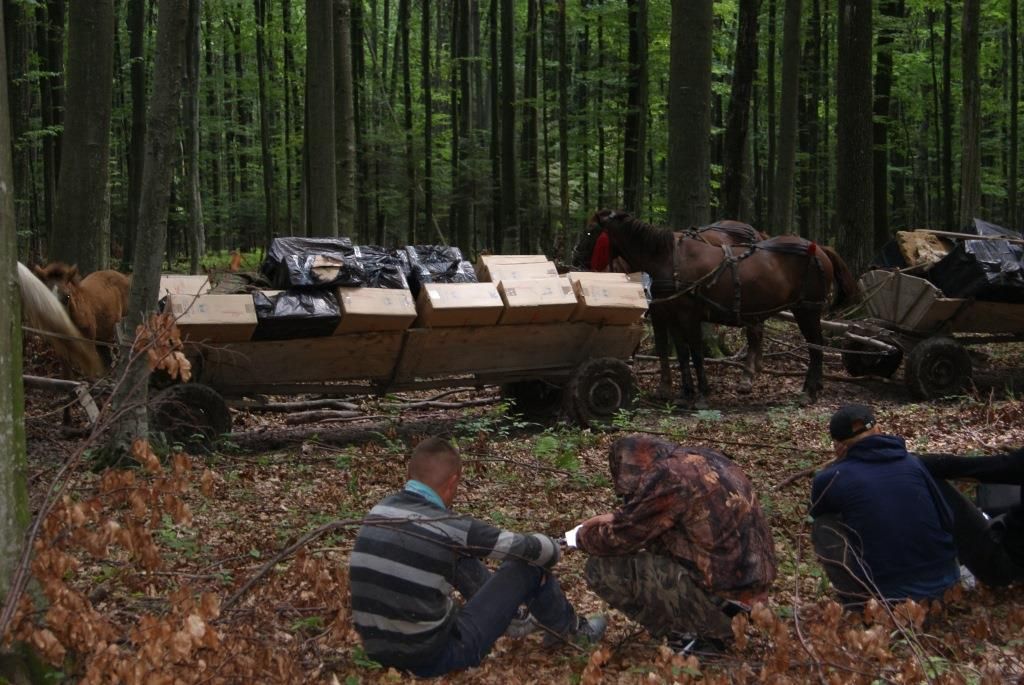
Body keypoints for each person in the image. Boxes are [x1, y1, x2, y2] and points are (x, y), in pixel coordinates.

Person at [349, 437, 606, 677]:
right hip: (432, 658)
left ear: (410, 476)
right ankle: (574, 633)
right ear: (452, 482)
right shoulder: (447, 525)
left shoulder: (378, 511)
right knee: (530, 567)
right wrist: (557, 544)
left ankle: (514, 617)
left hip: (377, 652)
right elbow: (529, 550)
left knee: (454, 553)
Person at [571, 435, 776, 649]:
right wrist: (619, 516)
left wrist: (578, 537)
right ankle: (706, 627)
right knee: (659, 544)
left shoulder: (666, 475)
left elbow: (620, 540)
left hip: (723, 599)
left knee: (600, 569)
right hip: (753, 593)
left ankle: (695, 634)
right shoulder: (704, 458)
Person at [810, 404, 960, 606]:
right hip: (947, 584)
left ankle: (857, 604)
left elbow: (816, 510)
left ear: (838, 445)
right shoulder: (913, 463)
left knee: (823, 525)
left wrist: (836, 464)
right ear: (879, 429)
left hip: (891, 597)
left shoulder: (831, 477)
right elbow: (947, 519)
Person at [919, 448, 1024, 587]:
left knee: (932, 482)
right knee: (999, 489)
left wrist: (921, 462)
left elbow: (983, 467)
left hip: (1008, 565)